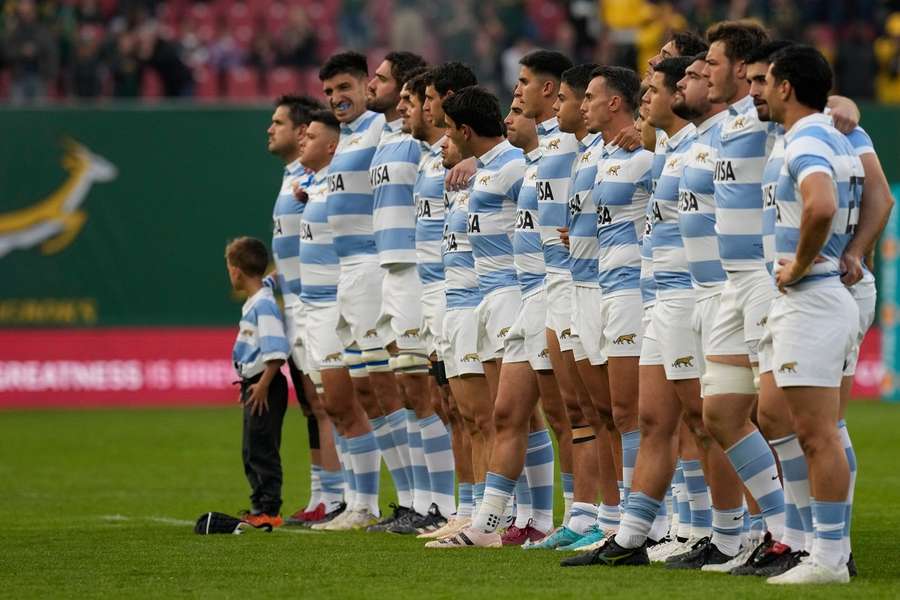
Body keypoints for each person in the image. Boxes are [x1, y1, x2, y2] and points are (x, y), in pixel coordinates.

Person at [563, 57, 696, 568]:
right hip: (600, 289)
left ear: (612, 101)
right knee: (613, 413)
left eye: (590, 97)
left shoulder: (648, 154)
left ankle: (664, 523)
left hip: (636, 296)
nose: (584, 106)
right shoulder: (599, 153)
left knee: (639, 413)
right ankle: (622, 521)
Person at [759, 44, 864, 585]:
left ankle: (827, 559)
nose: (762, 89)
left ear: (786, 87)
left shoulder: (806, 139)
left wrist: (801, 264)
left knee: (818, 434)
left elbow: (820, 204)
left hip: (812, 299)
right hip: (817, 298)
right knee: (789, 421)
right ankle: (815, 547)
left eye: (768, 79)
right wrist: (853, 251)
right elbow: (873, 200)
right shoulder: (832, 134)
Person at [428, 86, 533, 549]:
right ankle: (495, 518)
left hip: (512, 295)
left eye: (449, 130)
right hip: (484, 299)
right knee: (496, 416)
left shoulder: (513, 165)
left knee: (518, 416)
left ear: (464, 130)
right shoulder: (482, 171)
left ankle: (525, 518)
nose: (446, 140)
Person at [367, 52, 456, 534]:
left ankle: (437, 505)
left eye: (409, 96)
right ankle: (421, 503)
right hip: (395, 271)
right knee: (412, 390)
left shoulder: (433, 151)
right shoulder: (391, 141)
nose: (403, 106)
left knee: (429, 391)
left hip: (424, 273)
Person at [318, 51, 393, 530]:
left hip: (371, 265)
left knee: (389, 390)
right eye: (328, 92)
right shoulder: (343, 140)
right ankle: (367, 505)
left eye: (344, 87)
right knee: (364, 391)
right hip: (345, 273)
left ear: (367, 86)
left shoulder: (381, 130)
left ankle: (421, 501)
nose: (336, 98)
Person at [264, 95, 342, 528]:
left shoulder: (314, 180)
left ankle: (339, 495)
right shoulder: (292, 177)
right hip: (295, 301)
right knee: (312, 405)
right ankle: (322, 493)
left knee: (326, 400)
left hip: (317, 302)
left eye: (278, 123)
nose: (269, 130)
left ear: (301, 133)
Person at [296, 110, 361, 530]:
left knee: (345, 404)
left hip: (336, 305)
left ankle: (366, 503)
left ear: (332, 146)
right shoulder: (316, 184)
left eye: (312, 135)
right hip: (312, 306)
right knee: (333, 408)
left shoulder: (341, 183)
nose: (304, 139)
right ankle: (352, 501)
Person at [226, 237, 291, 529]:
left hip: (266, 384)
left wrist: (262, 385)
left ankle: (268, 509)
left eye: (229, 266)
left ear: (237, 271)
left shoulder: (263, 306)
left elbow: (276, 352)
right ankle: (258, 505)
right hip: (255, 383)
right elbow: (266, 282)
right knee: (251, 447)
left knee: (262, 447)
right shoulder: (260, 296)